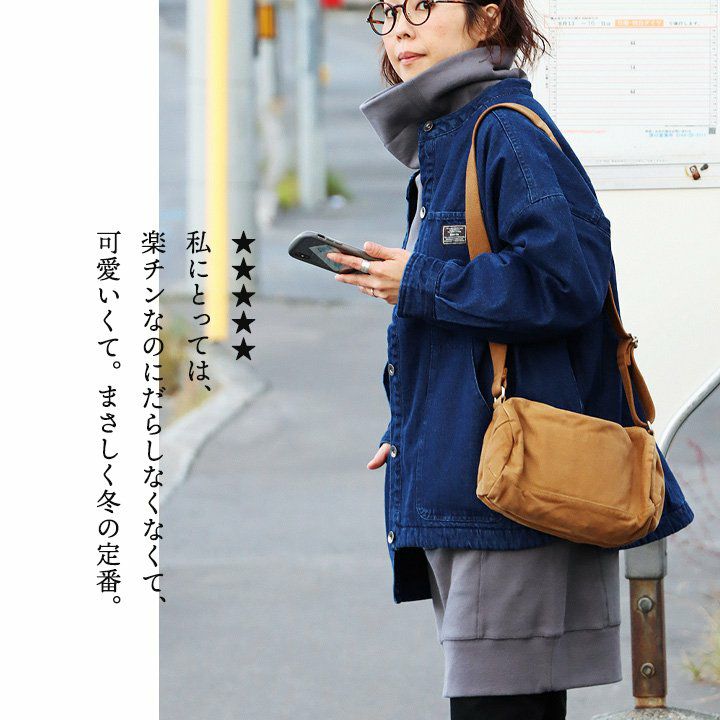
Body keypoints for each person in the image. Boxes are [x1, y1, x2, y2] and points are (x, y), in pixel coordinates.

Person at [326, 2, 694, 718]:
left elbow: (566, 283)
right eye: (388, 14)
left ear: (488, 20)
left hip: (511, 491)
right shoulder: (457, 133)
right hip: (481, 476)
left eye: (424, 8)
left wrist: (421, 280)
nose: (400, 30)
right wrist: (411, 427)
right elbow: (467, 323)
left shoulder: (504, 133)